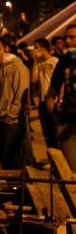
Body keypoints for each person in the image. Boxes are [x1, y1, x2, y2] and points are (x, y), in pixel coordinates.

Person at [0, 36, 30, 169]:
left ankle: (18, 187)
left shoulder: (18, 67)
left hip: (10, 121)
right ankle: (11, 186)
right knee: (4, 158)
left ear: (7, 49)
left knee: (13, 158)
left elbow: (20, 95)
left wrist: (10, 117)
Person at [47, 24, 76, 170]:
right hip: (67, 121)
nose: (68, 41)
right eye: (66, 37)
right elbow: (53, 88)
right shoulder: (64, 61)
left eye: (72, 37)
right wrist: (53, 114)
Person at [32, 38, 59, 149]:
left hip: (54, 101)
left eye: (36, 47)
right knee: (47, 133)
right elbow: (33, 80)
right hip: (42, 102)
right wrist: (35, 61)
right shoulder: (39, 63)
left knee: (56, 131)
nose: (34, 50)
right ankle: (52, 160)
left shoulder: (55, 61)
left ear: (43, 49)